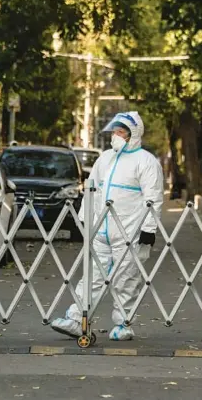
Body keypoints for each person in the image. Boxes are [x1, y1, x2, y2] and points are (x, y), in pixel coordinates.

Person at [51, 111, 164, 341]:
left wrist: (149, 229)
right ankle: (77, 318)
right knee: (91, 276)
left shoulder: (146, 162)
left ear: (133, 134)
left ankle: (124, 324)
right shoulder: (105, 159)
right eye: (114, 131)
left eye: (120, 132)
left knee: (126, 280)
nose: (115, 136)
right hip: (101, 230)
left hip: (131, 233)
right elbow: (93, 189)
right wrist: (85, 219)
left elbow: (154, 197)